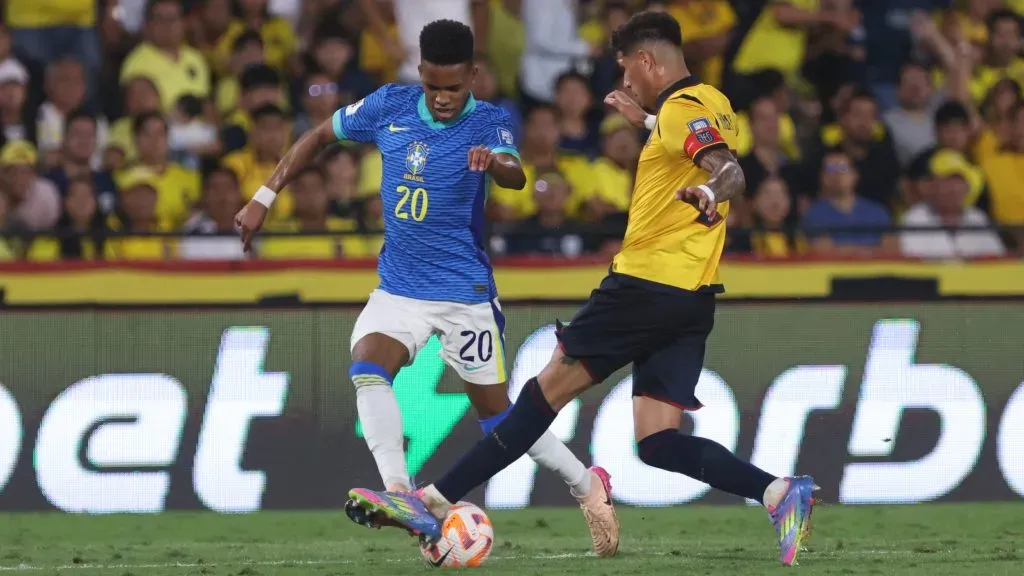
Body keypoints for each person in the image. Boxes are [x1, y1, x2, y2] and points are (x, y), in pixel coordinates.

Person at [342, 11, 817, 567]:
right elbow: (689, 138)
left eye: (626, 68)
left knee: (534, 404)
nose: (624, 81)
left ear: (646, 60)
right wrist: (644, 119)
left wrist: (712, 189)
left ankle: (429, 500)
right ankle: (780, 494)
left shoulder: (683, 111)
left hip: (643, 285)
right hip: (693, 296)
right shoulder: (712, 103)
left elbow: (727, 168)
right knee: (659, 441)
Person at [232, 19, 619, 557]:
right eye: (434, 85)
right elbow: (320, 136)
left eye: (454, 87)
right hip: (399, 289)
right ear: (421, 75)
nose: (443, 97)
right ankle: (400, 494)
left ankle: (586, 484)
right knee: (368, 365)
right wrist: (264, 196)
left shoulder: (487, 119)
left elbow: (515, 173)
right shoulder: (388, 105)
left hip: (464, 296)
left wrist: (494, 163)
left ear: (473, 77)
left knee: (499, 419)